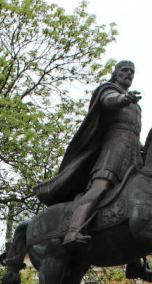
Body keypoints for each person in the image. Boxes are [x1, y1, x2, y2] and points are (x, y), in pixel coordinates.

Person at [35, 60, 142, 245]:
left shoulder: (134, 104)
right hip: (114, 148)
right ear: (116, 73)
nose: (129, 74)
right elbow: (109, 102)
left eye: (132, 72)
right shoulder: (109, 90)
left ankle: (136, 259)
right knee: (101, 186)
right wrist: (124, 99)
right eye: (125, 71)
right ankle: (73, 230)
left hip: (131, 151)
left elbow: (132, 130)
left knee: (136, 198)